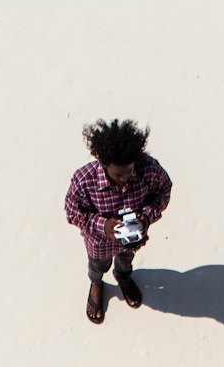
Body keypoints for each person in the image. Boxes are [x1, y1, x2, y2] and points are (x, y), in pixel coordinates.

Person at [64, 119, 172, 325]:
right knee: (96, 266)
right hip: (98, 243)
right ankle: (96, 284)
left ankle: (123, 278)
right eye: (118, 174)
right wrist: (103, 226)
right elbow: (72, 212)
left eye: (129, 172)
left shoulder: (149, 169)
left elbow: (164, 191)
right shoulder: (84, 179)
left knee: (125, 261)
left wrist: (147, 216)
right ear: (104, 164)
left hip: (132, 239)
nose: (125, 179)